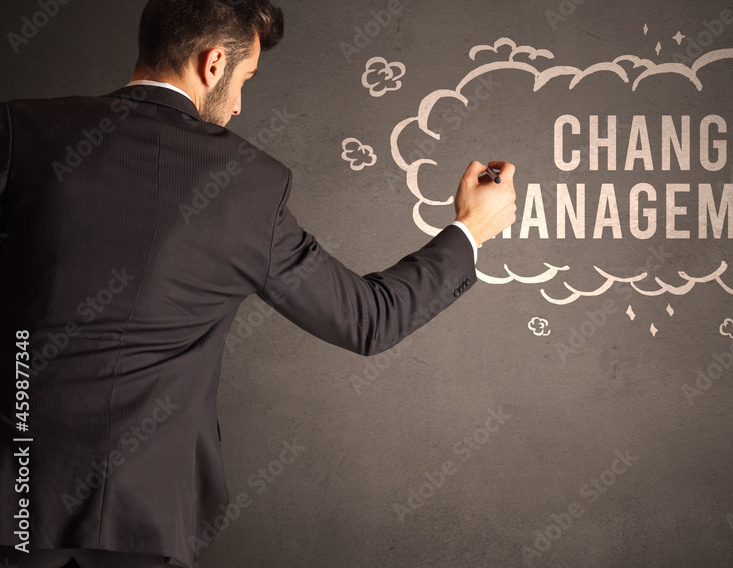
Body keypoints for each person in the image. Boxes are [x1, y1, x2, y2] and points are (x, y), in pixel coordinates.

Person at [0, 0, 517, 566]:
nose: (242, 104)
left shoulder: (18, 131)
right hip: (146, 519)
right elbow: (370, 318)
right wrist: (470, 230)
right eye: (246, 78)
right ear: (214, 62)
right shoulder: (248, 185)